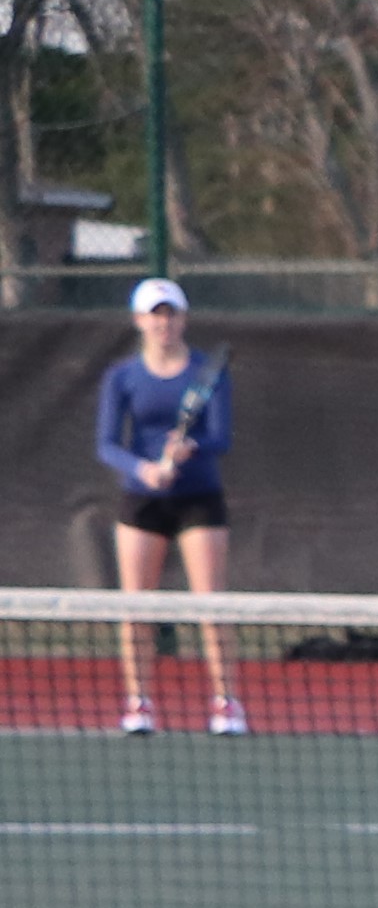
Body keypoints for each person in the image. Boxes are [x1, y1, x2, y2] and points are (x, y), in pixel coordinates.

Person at [97, 276, 243, 736]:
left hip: (199, 499)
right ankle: (138, 702)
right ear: (139, 321)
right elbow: (106, 444)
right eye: (155, 315)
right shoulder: (121, 377)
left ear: (183, 319)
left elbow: (220, 436)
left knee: (211, 605)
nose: (164, 323)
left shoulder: (208, 371)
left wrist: (190, 449)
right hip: (142, 501)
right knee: (136, 607)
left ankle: (226, 703)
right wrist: (142, 470)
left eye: (171, 313)